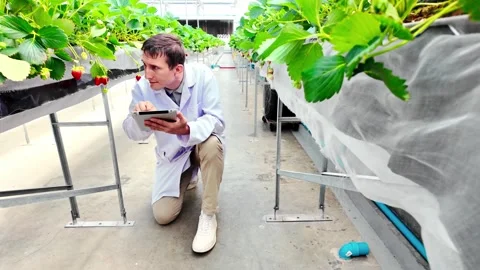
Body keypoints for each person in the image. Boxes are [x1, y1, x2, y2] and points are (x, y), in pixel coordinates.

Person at [122, 33, 225, 253]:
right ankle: (190, 176)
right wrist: (139, 119)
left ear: (177, 69)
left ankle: (208, 215)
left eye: (155, 67)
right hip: (174, 155)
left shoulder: (203, 76)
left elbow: (217, 122)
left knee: (212, 144)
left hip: (200, 146)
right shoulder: (143, 88)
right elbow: (133, 134)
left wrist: (187, 129)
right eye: (144, 65)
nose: (147, 74)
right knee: (163, 215)